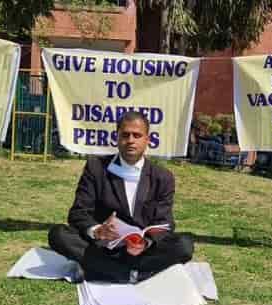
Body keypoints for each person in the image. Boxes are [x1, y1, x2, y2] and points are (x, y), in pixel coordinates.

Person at [48, 112, 194, 283]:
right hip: (104, 246)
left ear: (147, 140)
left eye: (137, 135)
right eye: (125, 135)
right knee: (58, 235)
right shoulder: (96, 168)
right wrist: (97, 230)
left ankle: (104, 270)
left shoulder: (162, 177)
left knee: (184, 245)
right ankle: (131, 275)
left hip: (142, 251)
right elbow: (78, 213)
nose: (131, 140)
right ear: (117, 138)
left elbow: (165, 223)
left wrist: (146, 242)